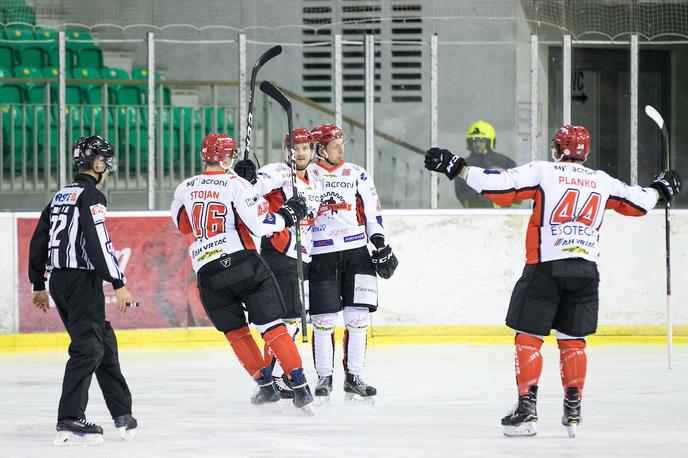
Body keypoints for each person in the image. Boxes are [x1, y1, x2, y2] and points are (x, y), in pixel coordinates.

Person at [424, 125, 681, 437]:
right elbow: (638, 202)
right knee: (572, 339)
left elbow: (500, 188)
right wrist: (660, 188)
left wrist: (458, 167)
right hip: (586, 271)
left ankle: (527, 409)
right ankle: (573, 410)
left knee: (528, 336)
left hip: (546, 267)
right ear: (585, 153)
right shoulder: (600, 180)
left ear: (557, 149)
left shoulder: (544, 172)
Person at [170, 133, 314, 412]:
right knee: (272, 327)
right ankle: (299, 386)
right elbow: (261, 225)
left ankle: (265, 387)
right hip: (243, 264)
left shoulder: (183, 188)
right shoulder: (236, 184)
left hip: (208, 273)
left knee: (237, 334)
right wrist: (287, 215)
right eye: (231, 154)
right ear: (225, 157)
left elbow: (184, 227)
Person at [28, 135, 138, 446]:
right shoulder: (93, 197)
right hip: (81, 280)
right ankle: (70, 419)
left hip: (60, 281)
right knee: (88, 348)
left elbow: (39, 239)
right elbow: (97, 241)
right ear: (99, 163)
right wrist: (118, 283)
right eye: (106, 161)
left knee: (102, 340)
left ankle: (122, 413)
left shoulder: (61, 195)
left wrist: (39, 283)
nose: (108, 167)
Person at [306, 123, 398, 402]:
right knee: (323, 321)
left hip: (357, 254)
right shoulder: (306, 175)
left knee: (358, 319)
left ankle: (354, 376)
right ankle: (324, 376)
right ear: (320, 149)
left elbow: (373, 212)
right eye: (335, 145)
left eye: (342, 143)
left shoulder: (357, 173)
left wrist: (379, 243)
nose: (341, 149)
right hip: (321, 254)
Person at [233, 128, 322, 399]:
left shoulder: (315, 178)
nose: (301, 152)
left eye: (306, 147)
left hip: (302, 255)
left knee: (288, 322)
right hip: (280, 252)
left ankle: (273, 379)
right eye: (296, 148)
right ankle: (273, 380)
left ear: (312, 150)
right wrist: (246, 177)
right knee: (285, 321)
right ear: (287, 151)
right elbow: (253, 187)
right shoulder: (279, 172)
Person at [454, 120, 516, 208]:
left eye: (481, 141)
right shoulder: (463, 165)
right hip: (474, 214)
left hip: (502, 216)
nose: (477, 144)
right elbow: (461, 192)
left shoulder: (504, 163)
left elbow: (517, 189)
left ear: (489, 142)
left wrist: (510, 212)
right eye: (474, 141)